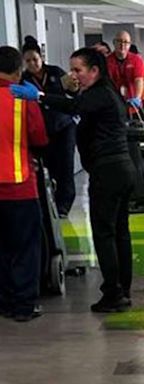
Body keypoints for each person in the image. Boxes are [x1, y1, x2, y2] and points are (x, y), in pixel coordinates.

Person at [11, 48, 137, 313]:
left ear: (95, 71)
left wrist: (41, 96)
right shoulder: (105, 91)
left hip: (108, 171)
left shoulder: (100, 93)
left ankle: (114, 293)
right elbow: (80, 102)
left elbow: (77, 106)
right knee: (119, 232)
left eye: (79, 70)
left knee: (105, 233)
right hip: (121, 170)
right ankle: (122, 289)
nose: (74, 76)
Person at [0, 46, 48, 322]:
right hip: (19, 186)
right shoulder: (22, 97)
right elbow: (39, 137)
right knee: (24, 249)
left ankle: (4, 301)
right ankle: (23, 305)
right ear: (19, 71)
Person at [21, 36, 77, 218]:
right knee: (48, 167)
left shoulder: (55, 72)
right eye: (28, 61)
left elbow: (72, 92)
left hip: (63, 127)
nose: (32, 64)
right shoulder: (24, 80)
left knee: (65, 166)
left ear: (41, 57)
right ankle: (48, 202)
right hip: (41, 131)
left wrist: (74, 87)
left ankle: (64, 206)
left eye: (35, 59)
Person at [106, 31, 144, 113]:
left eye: (126, 42)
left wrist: (137, 98)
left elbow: (138, 80)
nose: (122, 45)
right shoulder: (107, 61)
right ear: (114, 42)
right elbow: (106, 82)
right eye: (119, 41)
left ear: (129, 44)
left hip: (134, 104)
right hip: (114, 104)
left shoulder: (136, 60)